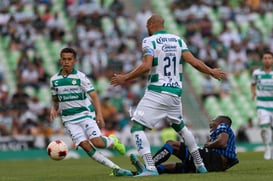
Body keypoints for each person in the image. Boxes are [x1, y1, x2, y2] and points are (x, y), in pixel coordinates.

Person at [111, 14, 226, 176]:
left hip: (157, 91)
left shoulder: (149, 41)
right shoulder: (177, 40)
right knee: (181, 127)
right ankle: (200, 166)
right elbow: (194, 62)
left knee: (137, 127)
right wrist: (211, 71)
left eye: (146, 26)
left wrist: (125, 78)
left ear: (150, 25)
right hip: (175, 93)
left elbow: (146, 66)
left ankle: (150, 167)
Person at [49, 47, 129, 175]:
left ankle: (113, 141)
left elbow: (94, 95)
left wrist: (99, 114)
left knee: (97, 142)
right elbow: (55, 98)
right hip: (69, 120)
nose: (66, 62)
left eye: (69, 59)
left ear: (74, 61)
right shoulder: (54, 80)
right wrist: (54, 108)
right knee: (86, 146)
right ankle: (116, 168)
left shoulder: (81, 77)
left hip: (85, 114)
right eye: (64, 59)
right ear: (60, 60)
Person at [116, 115, 238, 176]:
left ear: (221, 122)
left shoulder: (223, 126)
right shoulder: (219, 132)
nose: (212, 122)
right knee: (168, 167)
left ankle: (147, 166)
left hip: (214, 160)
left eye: (214, 120)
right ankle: (134, 173)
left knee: (172, 144)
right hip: (215, 165)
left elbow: (222, 142)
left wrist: (209, 144)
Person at [251, 51, 273, 160]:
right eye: (265, 58)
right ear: (262, 60)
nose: (267, 60)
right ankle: (267, 148)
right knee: (264, 128)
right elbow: (253, 84)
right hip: (262, 104)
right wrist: (253, 92)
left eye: (269, 58)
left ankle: (271, 148)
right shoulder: (256, 73)